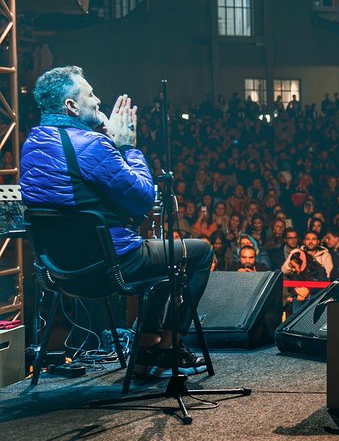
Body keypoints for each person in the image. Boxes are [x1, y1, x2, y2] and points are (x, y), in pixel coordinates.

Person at [19, 66, 213, 379]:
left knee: (165, 261)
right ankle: (168, 348)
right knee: (200, 253)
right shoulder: (93, 147)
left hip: (59, 272)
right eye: (90, 95)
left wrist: (102, 138)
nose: (98, 101)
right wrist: (126, 145)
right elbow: (143, 199)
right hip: (112, 267)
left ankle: (145, 347)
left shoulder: (32, 146)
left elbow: (76, 191)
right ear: (71, 106)